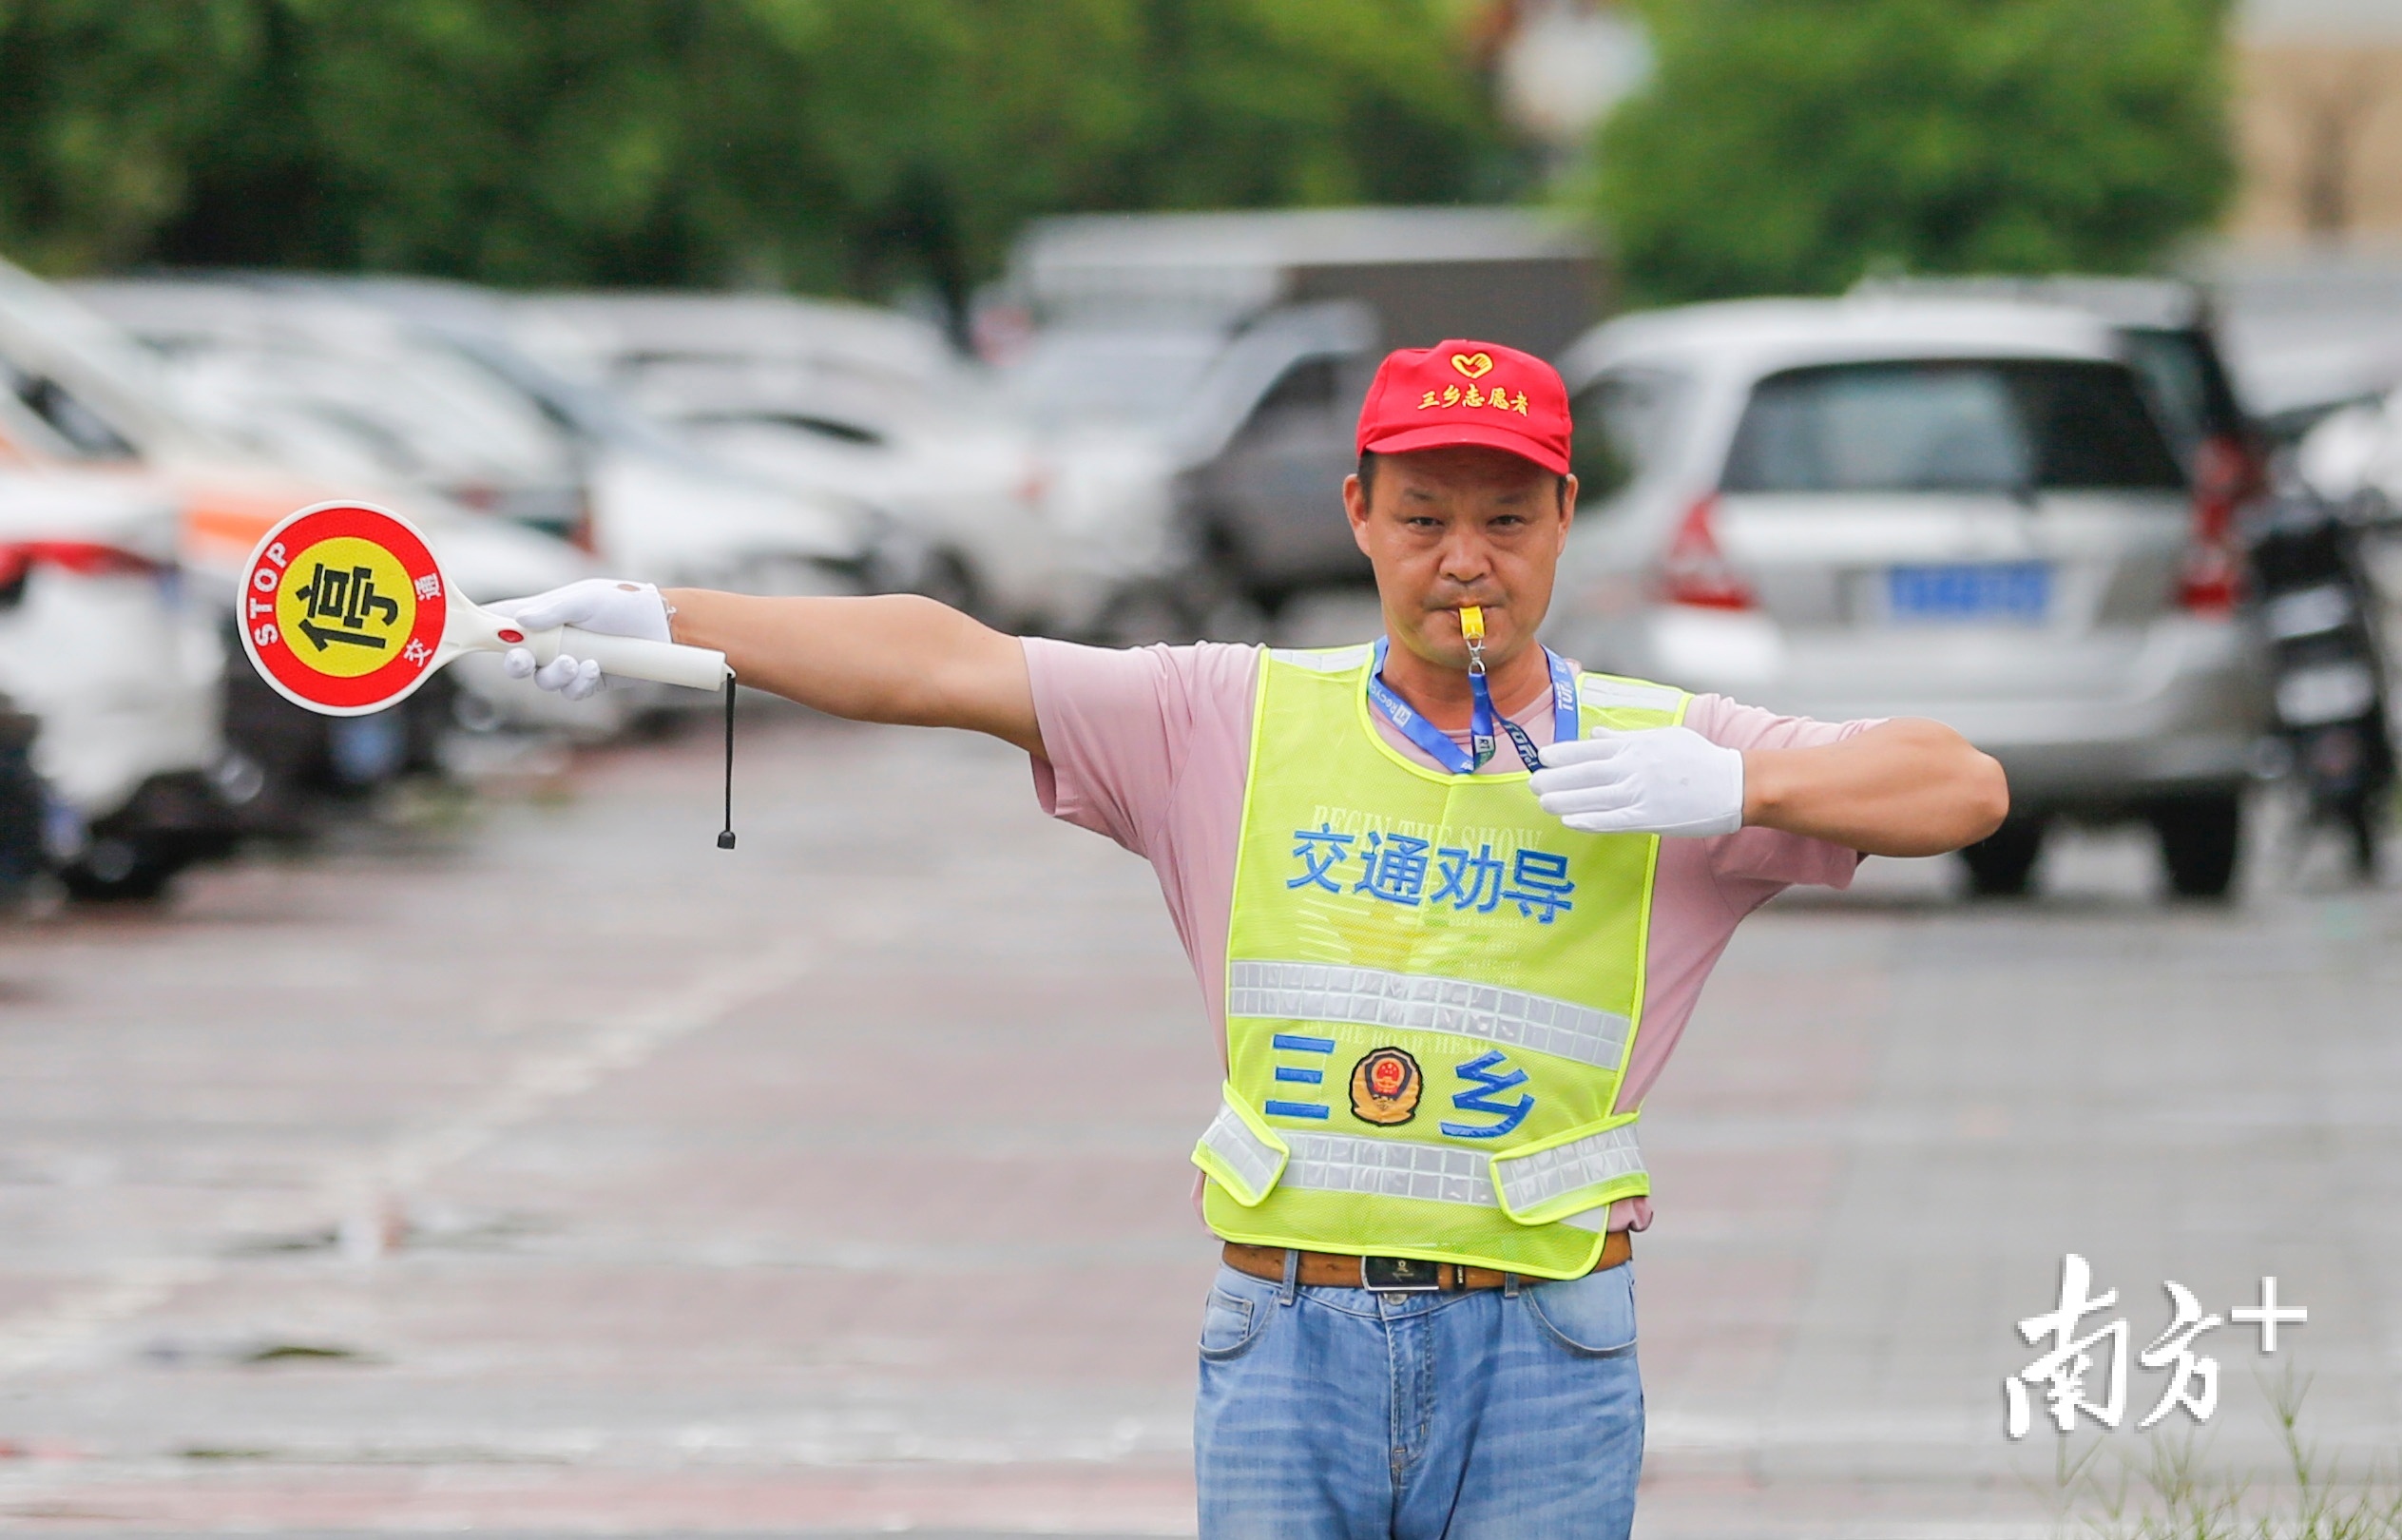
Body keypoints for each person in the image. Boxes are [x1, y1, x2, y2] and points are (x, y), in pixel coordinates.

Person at [490, 339, 2008, 1539]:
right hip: (1288, 1336)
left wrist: (1737, 782)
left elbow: (1962, 782)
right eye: (1422, 518)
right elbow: (946, 659)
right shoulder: (1227, 715)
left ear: (1561, 522)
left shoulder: (1658, 749)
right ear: (1357, 514)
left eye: (1503, 519)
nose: (1462, 561)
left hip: (1548, 1348)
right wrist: (663, 617)